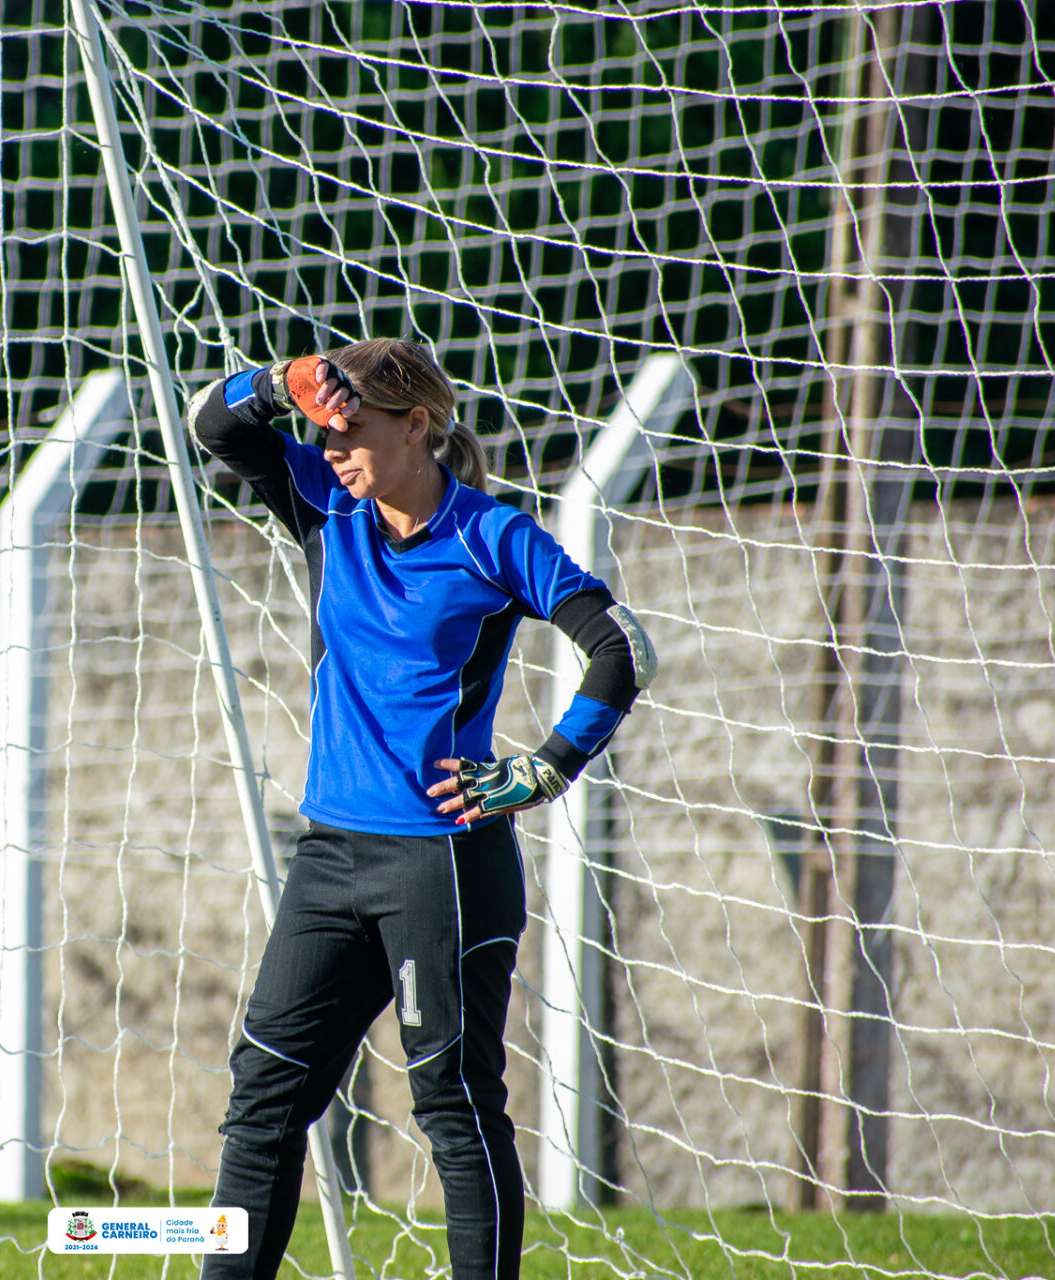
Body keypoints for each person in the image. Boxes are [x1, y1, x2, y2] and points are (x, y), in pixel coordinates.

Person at [183, 339, 657, 1280]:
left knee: (452, 1102)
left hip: (442, 863)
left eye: (353, 430)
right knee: (263, 1093)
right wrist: (286, 385)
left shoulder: (494, 537)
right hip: (329, 858)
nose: (337, 448)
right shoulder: (323, 498)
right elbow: (216, 425)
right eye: (327, 431)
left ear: (418, 425)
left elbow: (618, 649)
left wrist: (546, 767)